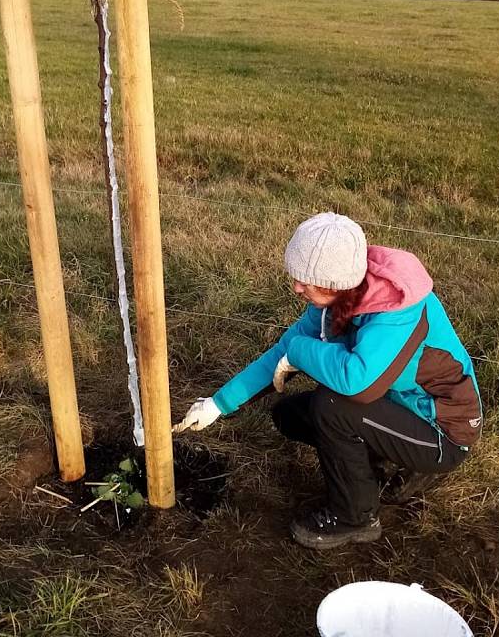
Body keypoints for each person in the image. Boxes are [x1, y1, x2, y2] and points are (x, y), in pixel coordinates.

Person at [173, 212, 482, 550]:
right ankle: (374, 470)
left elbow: (360, 384)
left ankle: (356, 517)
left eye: (305, 280)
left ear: (334, 281)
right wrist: (217, 404)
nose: (296, 287)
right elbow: (283, 351)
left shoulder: (398, 309)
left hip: (442, 432)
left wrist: (300, 352)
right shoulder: (336, 300)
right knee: (291, 415)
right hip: (396, 407)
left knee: (331, 406)